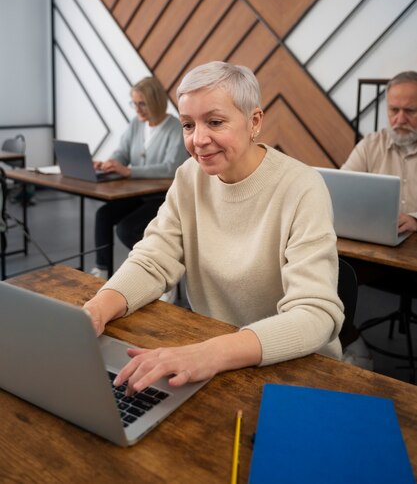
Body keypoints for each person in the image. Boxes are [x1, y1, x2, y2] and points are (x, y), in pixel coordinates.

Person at [84, 61, 344, 394]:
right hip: (215, 356)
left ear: (254, 122)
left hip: (295, 369)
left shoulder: (302, 186)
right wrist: (97, 308)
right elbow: (152, 259)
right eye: (188, 125)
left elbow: (315, 315)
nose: (198, 139)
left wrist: (211, 352)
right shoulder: (189, 177)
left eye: (215, 122)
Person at [341, 70, 417, 369]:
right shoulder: (372, 143)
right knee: (333, 271)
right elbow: (341, 187)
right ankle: (350, 342)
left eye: (410, 111)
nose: (399, 119)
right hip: (376, 254)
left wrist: (414, 219)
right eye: (393, 110)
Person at [91, 76, 189, 280]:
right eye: (134, 104)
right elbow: (122, 153)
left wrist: (130, 171)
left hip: (162, 197)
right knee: (104, 215)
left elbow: (171, 168)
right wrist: (109, 162)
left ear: (156, 101)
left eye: (142, 103)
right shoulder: (136, 124)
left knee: (127, 229)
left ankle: (162, 269)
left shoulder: (175, 128)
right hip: (137, 194)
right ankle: (102, 270)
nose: (137, 109)